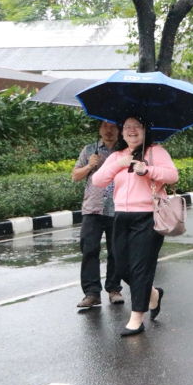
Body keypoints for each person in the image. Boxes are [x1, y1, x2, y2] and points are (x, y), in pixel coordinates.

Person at [92, 116, 178, 337]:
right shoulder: (117, 156)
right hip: (120, 215)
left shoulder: (155, 151)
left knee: (140, 268)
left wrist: (147, 170)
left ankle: (136, 319)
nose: (131, 131)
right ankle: (152, 294)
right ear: (122, 133)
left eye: (137, 127)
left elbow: (172, 175)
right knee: (121, 267)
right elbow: (98, 181)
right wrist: (117, 165)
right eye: (127, 128)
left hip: (148, 216)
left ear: (145, 130)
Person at [72, 120, 123, 308]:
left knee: (116, 250)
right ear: (99, 129)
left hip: (117, 208)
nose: (108, 130)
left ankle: (114, 289)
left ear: (119, 130)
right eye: (104, 126)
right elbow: (75, 176)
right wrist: (89, 166)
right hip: (92, 208)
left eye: (113, 127)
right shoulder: (89, 150)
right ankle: (92, 293)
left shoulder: (124, 151)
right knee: (89, 249)